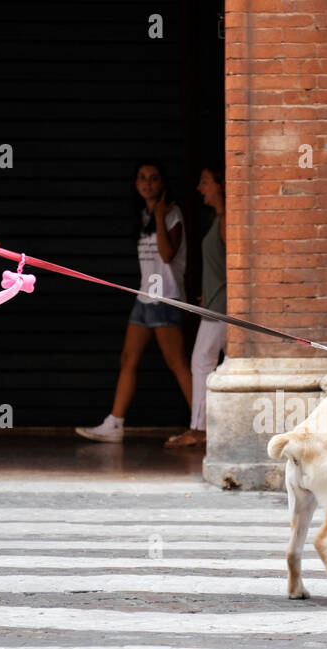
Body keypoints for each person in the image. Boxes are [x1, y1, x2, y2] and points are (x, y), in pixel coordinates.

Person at [77, 162, 191, 443]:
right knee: (128, 359)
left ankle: (205, 424)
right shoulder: (142, 215)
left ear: (163, 182)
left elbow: (166, 255)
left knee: (177, 363)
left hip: (166, 299)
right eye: (142, 178)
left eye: (153, 178)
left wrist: (162, 214)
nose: (147, 183)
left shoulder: (172, 213)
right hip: (144, 298)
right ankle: (114, 424)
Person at [166, 163, 227, 448]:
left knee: (201, 363)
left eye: (205, 182)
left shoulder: (226, 221)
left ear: (219, 185)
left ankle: (199, 430)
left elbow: (234, 266)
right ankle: (209, 428)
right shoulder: (219, 219)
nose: (200, 188)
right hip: (217, 303)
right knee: (211, 364)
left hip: (221, 311)